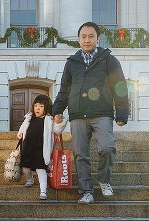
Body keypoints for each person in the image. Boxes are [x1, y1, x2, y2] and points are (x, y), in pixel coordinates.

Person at [52, 21, 129, 204]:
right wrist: (57, 110)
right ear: (78, 39)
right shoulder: (72, 63)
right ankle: (86, 191)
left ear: (98, 38)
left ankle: (104, 180)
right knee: (81, 154)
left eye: (91, 36)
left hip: (102, 113)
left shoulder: (108, 59)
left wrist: (122, 113)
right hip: (78, 115)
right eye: (83, 37)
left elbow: (120, 87)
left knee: (107, 147)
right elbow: (64, 90)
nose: (87, 40)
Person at [17, 94, 67, 200]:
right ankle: (30, 180)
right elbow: (23, 126)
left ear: (47, 108)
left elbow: (57, 130)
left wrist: (58, 122)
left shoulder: (49, 119)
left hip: (41, 148)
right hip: (28, 147)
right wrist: (20, 132)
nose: (37, 108)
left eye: (41, 106)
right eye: (35, 106)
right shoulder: (29, 117)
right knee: (25, 167)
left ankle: (43, 191)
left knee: (41, 169)